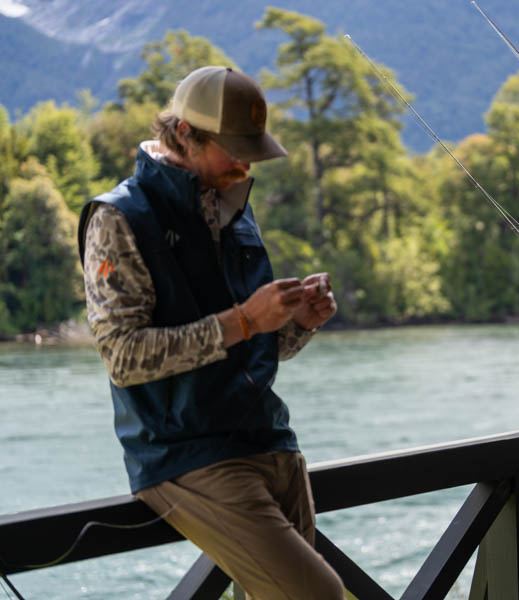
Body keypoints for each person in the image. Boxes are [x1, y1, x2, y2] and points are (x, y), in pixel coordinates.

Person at [77, 66, 344, 599]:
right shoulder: (118, 218)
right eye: (235, 150)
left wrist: (298, 323)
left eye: (253, 151)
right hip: (187, 458)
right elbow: (123, 358)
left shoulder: (234, 206)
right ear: (184, 134)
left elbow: (250, 347)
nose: (246, 165)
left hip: (271, 440)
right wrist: (245, 319)